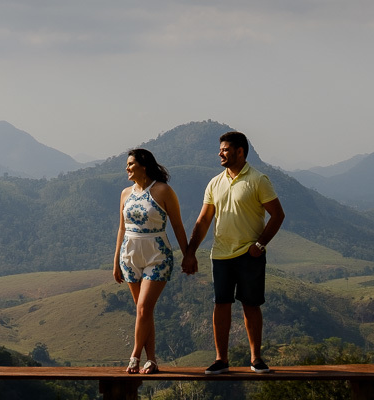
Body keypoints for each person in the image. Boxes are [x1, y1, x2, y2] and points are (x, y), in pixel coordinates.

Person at [182, 131, 285, 375]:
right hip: (221, 255)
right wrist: (190, 252)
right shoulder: (214, 183)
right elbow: (204, 220)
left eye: (225, 149)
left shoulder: (258, 180)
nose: (220, 153)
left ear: (240, 151)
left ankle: (256, 359)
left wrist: (259, 245)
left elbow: (278, 215)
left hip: (250, 254)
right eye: (220, 149)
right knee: (221, 305)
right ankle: (221, 359)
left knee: (251, 305)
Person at [113, 148, 189, 375]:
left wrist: (188, 254)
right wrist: (116, 261)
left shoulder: (163, 190)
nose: (127, 168)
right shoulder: (125, 193)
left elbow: (177, 225)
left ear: (143, 165)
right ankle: (152, 360)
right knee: (142, 311)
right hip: (130, 255)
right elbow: (121, 228)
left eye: (130, 164)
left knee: (144, 307)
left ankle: (135, 356)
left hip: (157, 255)